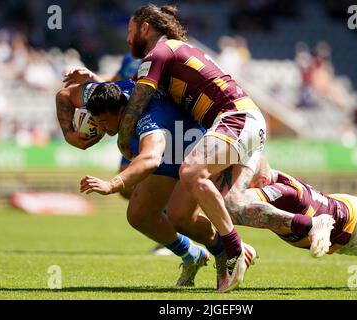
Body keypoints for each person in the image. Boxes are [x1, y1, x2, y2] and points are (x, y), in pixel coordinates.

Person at [113, 3, 331, 292]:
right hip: (239, 122)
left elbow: (138, 100)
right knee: (181, 215)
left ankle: (234, 250)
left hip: (236, 118)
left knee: (192, 171)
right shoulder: (174, 52)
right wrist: (91, 83)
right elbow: (132, 89)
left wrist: (122, 139)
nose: (128, 39)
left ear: (145, 27)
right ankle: (309, 225)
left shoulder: (159, 53)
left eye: (130, 31)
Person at [56, 79, 222, 287]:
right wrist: (69, 134)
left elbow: (150, 159)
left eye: (105, 122)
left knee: (181, 217)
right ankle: (193, 256)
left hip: (191, 146)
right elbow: (64, 95)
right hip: (168, 148)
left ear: (121, 111)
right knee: (139, 216)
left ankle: (227, 250)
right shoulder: (103, 95)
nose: (102, 129)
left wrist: (111, 184)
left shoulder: (147, 118)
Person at [217, 157, 357, 291]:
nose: (238, 189)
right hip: (345, 211)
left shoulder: (279, 191)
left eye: (243, 184)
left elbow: (232, 205)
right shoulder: (270, 180)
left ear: (261, 182)